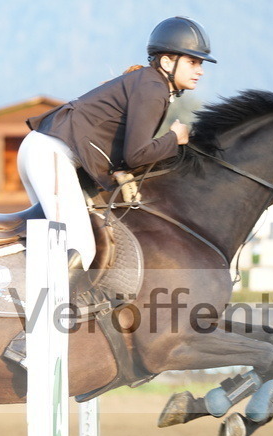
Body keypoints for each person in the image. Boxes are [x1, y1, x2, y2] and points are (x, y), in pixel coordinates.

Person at [19, 16, 216, 269]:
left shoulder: (149, 83)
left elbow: (126, 154)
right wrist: (174, 139)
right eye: (192, 62)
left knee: (54, 239)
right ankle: (51, 309)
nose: (200, 70)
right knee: (80, 247)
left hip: (43, 151)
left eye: (200, 63)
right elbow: (136, 155)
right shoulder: (153, 88)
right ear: (167, 61)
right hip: (50, 155)